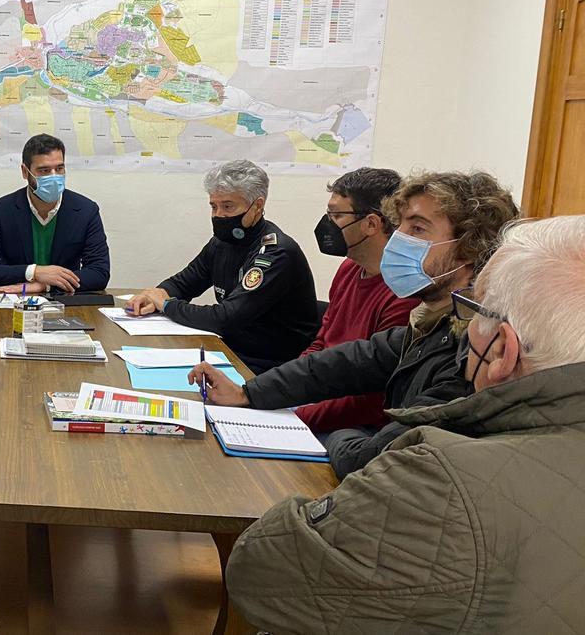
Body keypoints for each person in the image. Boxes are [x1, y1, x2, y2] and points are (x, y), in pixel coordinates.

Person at [225, 215, 585, 633]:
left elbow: (262, 573)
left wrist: (346, 442)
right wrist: (252, 392)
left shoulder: (443, 476)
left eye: (474, 311)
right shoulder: (425, 327)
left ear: (503, 349)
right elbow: (350, 359)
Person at [190, 171, 519, 477]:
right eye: (400, 225)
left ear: (469, 249)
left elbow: (376, 454)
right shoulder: (432, 322)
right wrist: (247, 393)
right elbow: (346, 362)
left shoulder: (474, 350)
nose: (398, 238)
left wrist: (323, 430)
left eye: (417, 229)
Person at [126, 160, 319, 373]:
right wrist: (156, 294)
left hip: (270, 367)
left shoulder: (275, 253)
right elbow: (185, 282)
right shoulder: (222, 243)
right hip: (230, 352)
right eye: (213, 206)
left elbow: (225, 318)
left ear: (257, 206)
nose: (219, 215)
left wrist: (167, 305)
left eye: (228, 206)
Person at [298, 167, 420, 432]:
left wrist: (296, 417)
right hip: (318, 407)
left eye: (337, 215)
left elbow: (372, 400)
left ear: (371, 224)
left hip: (355, 427)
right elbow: (322, 343)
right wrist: (285, 393)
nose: (327, 223)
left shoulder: (404, 294)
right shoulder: (349, 269)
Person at [0, 133, 110, 294]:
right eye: (44, 170)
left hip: (66, 305)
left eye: (59, 168)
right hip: (13, 305)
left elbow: (99, 273)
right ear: (25, 171)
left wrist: (46, 286)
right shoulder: (2, 210)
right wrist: (34, 272)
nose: (54, 176)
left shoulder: (86, 210)